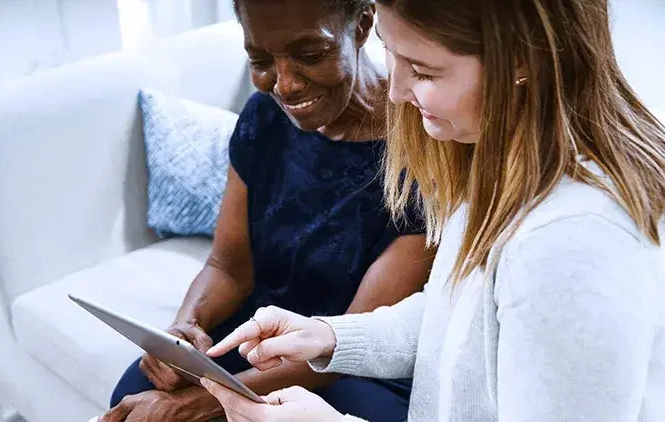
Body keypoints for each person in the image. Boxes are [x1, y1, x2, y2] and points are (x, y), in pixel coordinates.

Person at [201, 0, 665, 421]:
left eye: (423, 70)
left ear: (521, 59)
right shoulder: (497, 154)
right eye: (392, 56)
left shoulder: (575, 245)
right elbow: (457, 321)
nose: (394, 91)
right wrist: (328, 335)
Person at [98, 0, 436, 421]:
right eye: (260, 60)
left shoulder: (423, 145)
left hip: (354, 365)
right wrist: (185, 330)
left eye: (310, 55)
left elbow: (358, 337)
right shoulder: (264, 116)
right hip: (258, 329)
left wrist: (199, 405)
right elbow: (228, 266)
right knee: (133, 392)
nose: (286, 85)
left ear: (364, 24)